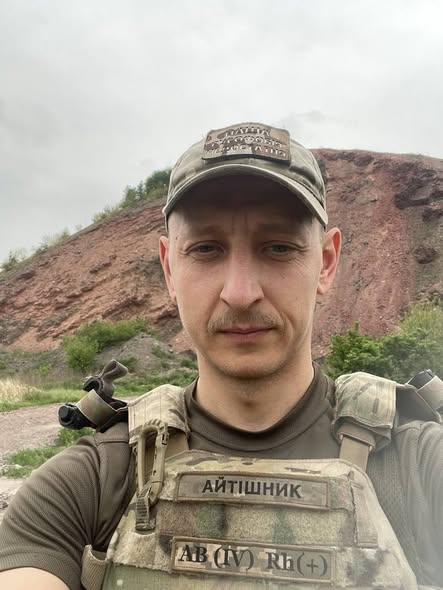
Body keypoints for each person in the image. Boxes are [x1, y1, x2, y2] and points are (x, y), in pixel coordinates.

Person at [0, 122, 442, 590]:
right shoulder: (91, 483)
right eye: (206, 249)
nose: (241, 292)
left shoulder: (420, 465)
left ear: (326, 263)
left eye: (278, 247)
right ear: (169, 268)